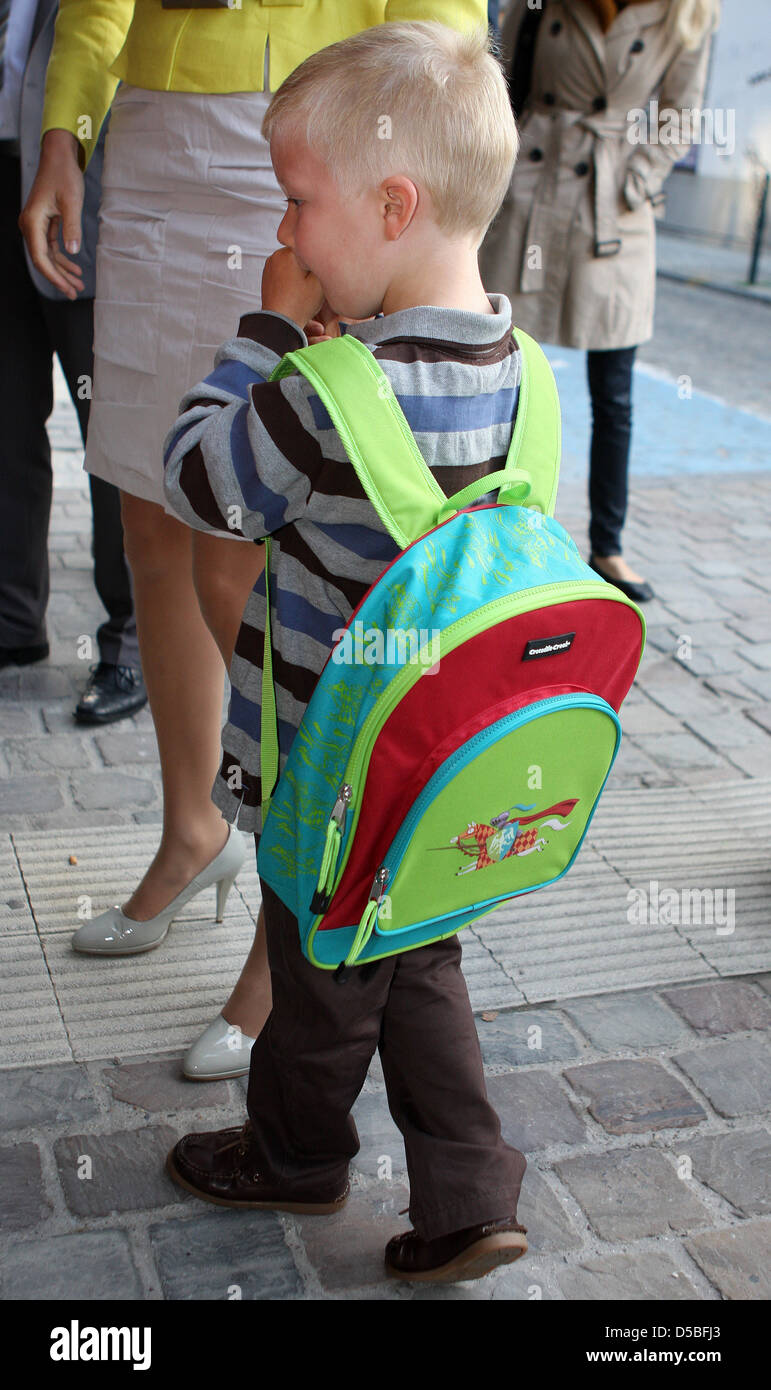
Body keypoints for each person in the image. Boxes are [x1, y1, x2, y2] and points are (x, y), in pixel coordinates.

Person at [19, 0, 486, 1081]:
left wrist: (397, 194)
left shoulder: (329, 194)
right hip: (149, 127)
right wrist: (67, 127)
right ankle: (196, 830)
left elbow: (445, 24)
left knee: (253, 537)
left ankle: (298, 901)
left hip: (317, 127)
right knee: (150, 509)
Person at [163, 19, 531, 1284]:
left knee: (323, 988)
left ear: (392, 202)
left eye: (300, 203)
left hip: (327, 777)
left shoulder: (324, 393)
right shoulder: (524, 372)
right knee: (424, 967)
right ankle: (474, 1192)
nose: (287, 238)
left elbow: (202, 483)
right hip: (444, 776)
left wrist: (266, 332)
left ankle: (298, 1155)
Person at [479, 0, 720, 603]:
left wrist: (636, 180)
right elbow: (502, 81)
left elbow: (681, 114)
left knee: (614, 390)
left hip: (611, 205)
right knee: (501, 369)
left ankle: (608, 546)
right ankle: (490, 536)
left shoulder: (686, 13)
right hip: (530, 188)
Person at [1, 0, 143, 721]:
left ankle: (129, 644)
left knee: (111, 432)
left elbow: (99, 32)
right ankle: (12, 620)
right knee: (6, 417)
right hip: (3, 164)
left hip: (84, 188)